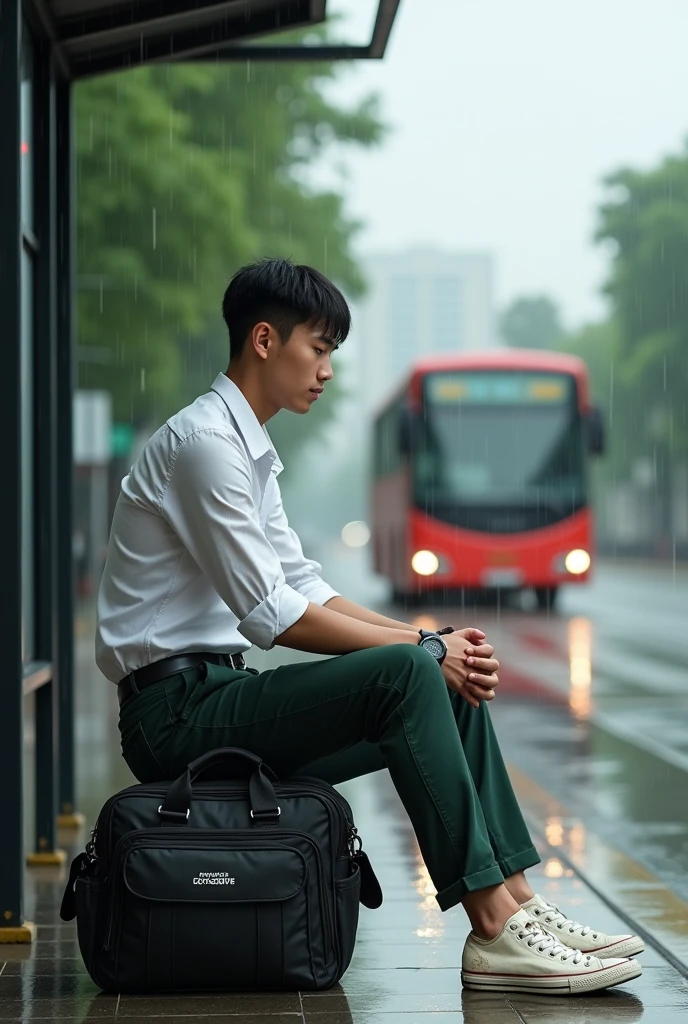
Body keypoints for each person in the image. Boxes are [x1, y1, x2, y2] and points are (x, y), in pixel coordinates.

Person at [96, 258, 642, 995]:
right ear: (264, 340)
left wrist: (433, 643)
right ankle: (491, 928)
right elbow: (275, 615)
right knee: (413, 670)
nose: (326, 370)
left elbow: (307, 584)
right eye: (317, 348)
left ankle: (518, 906)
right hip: (173, 718)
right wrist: (421, 647)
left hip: (215, 695)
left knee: (440, 683)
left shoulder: (248, 451)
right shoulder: (204, 447)